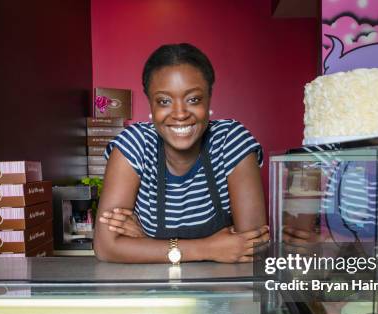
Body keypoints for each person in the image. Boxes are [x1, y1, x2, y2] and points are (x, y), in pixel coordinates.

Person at [94, 43, 268, 263]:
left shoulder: (230, 141)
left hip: (224, 289)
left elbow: (253, 248)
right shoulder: (135, 144)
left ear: (209, 99)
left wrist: (146, 244)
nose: (180, 114)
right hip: (150, 290)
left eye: (193, 99)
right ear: (151, 106)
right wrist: (209, 249)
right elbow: (106, 248)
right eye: (164, 101)